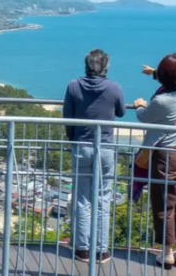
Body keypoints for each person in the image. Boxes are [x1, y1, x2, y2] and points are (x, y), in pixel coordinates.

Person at [133, 53, 176, 270]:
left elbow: (143, 117)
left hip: (167, 158)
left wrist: (139, 105)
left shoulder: (160, 101)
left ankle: (167, 254)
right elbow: (172, 81)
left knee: (164, 205)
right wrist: (154, 73)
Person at [63, 49, 125, 264]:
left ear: (86, 65)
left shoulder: (73, 86)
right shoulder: (114, 87)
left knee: (82, 200)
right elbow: (121, 111)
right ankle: (101, 251)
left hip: (81, 147)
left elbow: (68, 119)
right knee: (103, 200)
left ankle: (82, 250)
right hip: (105, 148)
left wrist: (72, 141)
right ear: (105, 67)